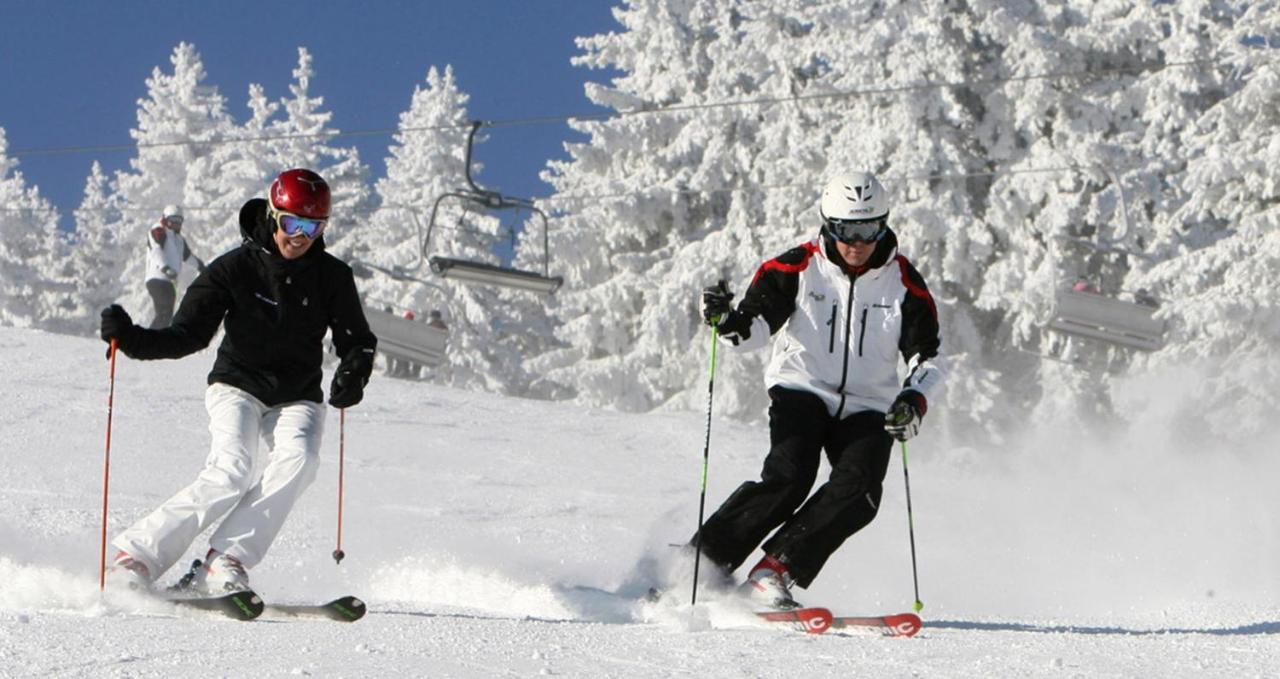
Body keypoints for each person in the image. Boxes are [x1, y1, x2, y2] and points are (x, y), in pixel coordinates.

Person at [99, 168, 377, 594]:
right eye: (291, 223)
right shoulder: (234, 269)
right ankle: (135, 557)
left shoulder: (331, 276)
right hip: (238, 385)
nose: (300, 237)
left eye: (312, 227)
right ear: (272, 214)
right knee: (231, 471)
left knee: (301, 460)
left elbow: (357, 340)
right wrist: (132, 339)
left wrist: (355, 371)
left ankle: (225, 561)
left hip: (297, 394)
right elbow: (186, 335)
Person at [691, 171, 946, 610]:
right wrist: (727, 322)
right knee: (790, 477)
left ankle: (774, 572)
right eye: (846, 229)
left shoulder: (904, 283)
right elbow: (753, 330)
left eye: (869, 229)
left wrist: (913, 399)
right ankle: (701, 565)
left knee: (861, 490)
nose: (857, 241)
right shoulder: (794, 267)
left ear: (883, 224)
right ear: (828, 224)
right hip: (802, 388)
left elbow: (929, 358)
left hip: (869, 403)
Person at [145, 205, 206, 328]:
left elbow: (188, 257)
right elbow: (155, 251)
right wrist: (165, 268)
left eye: (179, 221)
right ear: (165, 219)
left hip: (170, 281)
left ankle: (158, 341)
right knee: (164, 312)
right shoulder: (159, 230)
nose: (175, 224)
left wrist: (202, 267)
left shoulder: (178, 240)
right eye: (172, 220)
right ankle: (149, 342)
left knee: (167, 315)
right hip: (157, 278)